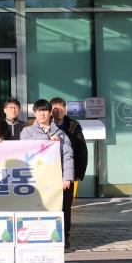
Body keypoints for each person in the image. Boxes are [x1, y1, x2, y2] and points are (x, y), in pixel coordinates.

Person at [21, 99, 75, 246]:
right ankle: (37, 237)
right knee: (38, 208)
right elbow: (27, 149)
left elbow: (68, 156)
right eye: (40, 111)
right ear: (35, 113)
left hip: (56, 179)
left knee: (61, 209)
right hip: (36, 180)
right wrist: (47, 139)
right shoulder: (27, 132)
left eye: (45, 111)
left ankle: (62, 238)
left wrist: (67, 177)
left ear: (50, 113)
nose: (43, 114)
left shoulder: (61, 133)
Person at [51, 96, 89, 246]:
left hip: (67, 173)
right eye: (55, 108)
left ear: (65, 110)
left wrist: (79, 172)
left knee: (65, 206)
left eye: (61, 108)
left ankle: (64, 237)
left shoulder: (73, 126)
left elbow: (82, 150)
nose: (58, 111)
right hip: (48, 172)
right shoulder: (46, 125)